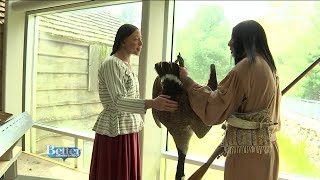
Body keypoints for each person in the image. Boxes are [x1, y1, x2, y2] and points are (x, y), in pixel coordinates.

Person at [180, 20, 281, 180]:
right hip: (267, 151)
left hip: (247, 156)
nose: (229, 43)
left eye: (234, 38)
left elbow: (215, 107)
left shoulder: (247, 66)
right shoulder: (269, 67)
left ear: (245, 40)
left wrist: (187, 81)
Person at [89, 24, 178, 180]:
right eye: (136, 39)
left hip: (127, 129)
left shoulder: (125, 65)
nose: (140, 44)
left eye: (141, 40)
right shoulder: (112, 63)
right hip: (114, 131)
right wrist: (152, 103)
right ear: (123, 42)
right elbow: (117, 101)